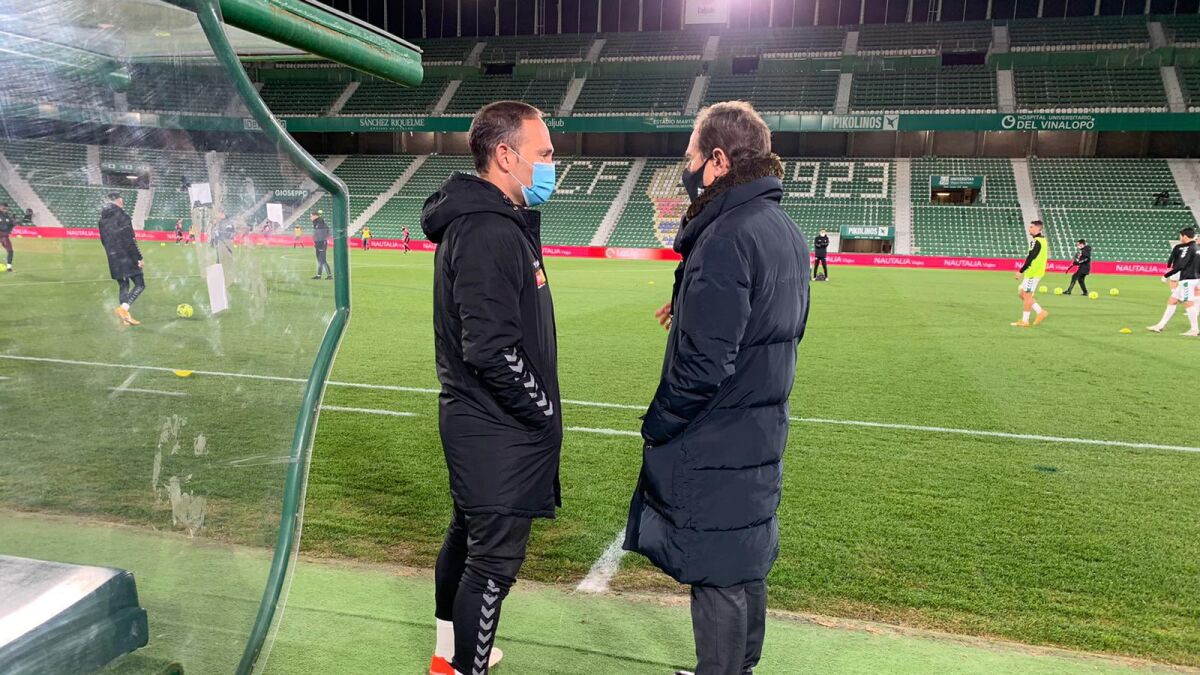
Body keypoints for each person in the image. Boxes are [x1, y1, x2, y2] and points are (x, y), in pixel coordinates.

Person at [625, 101, 809, 675]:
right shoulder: (782, 227)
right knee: (743, 556)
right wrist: (690, 303)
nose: (687, 168)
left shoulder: (727, 234)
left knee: (717, 568)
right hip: (758, 421)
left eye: (691, 157)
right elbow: (766, 319)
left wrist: (660, 421)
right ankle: (740, 668)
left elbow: (705, 365)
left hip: (719, 431)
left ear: (719, 161)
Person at [420, 100, 560, 675]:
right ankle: (463, 667)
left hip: (482, 422)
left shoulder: (492, 223)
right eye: (544, 153)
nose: (552, 163)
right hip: (496, 428)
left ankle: (446, 656)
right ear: (506, 155)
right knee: (492, 565)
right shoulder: (487, 230)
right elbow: (491, 349)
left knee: (467, 537)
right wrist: (542, 411)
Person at [98, 193, 144, 326]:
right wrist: (139, 258)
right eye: (121, 200)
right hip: (126, 256)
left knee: (124, 285)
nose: (123, 202)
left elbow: (104, 241)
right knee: (140, 284)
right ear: (117, 201)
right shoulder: (123, 216)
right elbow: (130, 240)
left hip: (113, 257)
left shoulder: (102, 220)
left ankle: (125, 318)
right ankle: (123, 309)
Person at [1149, 227, 1200, 335]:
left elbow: (1180, 265)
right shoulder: (1196, 247)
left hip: (1187, 279)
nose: (1179, 237)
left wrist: (1166, 275)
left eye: (1180, 236)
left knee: (1188, 303)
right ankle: (1160, 326)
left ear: (1184, 236)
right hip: (1192, 278)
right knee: (1172, 300)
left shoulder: (1189, 248)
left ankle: (1194, 330)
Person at [1012, 220, 1049, 327]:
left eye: (1031, 227)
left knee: (1027, 296)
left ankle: (1025, 321)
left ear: (1038, 228)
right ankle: (1040, 312)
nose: (1029, 229)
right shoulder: (1042, 240)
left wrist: (1020, 271)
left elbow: (1031, 257)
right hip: (1033, 272)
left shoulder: (1036, 241)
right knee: (1021, 293)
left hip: (1033, 273)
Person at [311, 209, 332, 280]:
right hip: (318, 243)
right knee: (320, 260)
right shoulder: (316, 223)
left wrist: (322, 240)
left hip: (321, 243)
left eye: (311, 216)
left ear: (315, 216)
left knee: (322, 259)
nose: (310, 218)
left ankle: (329, 275)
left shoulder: (320, 223)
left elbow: (327, 233)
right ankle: (319, 275)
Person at [0, 202, 15, 272]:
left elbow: (12, 225)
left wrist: (10, 230)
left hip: (4, 236)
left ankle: (9, 267)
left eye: (6, 207)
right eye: (3, 207)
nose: (5, 209)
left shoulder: (8, 217)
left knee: (10, 250)